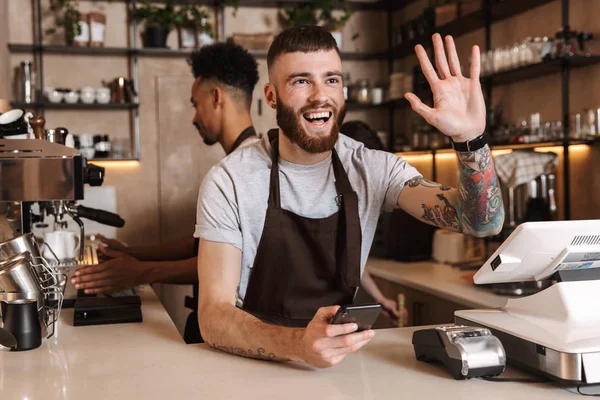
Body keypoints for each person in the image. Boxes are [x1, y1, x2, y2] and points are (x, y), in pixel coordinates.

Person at [195, 25, 504, 368]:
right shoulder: (230, 181)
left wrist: (471, 141)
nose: (319, 96)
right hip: (247, 370)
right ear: (271, 96)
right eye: (301, 81)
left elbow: (483, 222)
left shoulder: (372, 169)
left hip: (339, 369)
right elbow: (212, 316)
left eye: (331, 79)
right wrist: (299, 345)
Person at [70, 42, 260, 343]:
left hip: (233, 328)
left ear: (216, 97)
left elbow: (234, 264)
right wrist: (131, 253)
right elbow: (203, 245)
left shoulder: (250, 171)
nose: (194, 117)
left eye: (195, 104)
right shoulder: (238, 163)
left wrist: (141, 271)